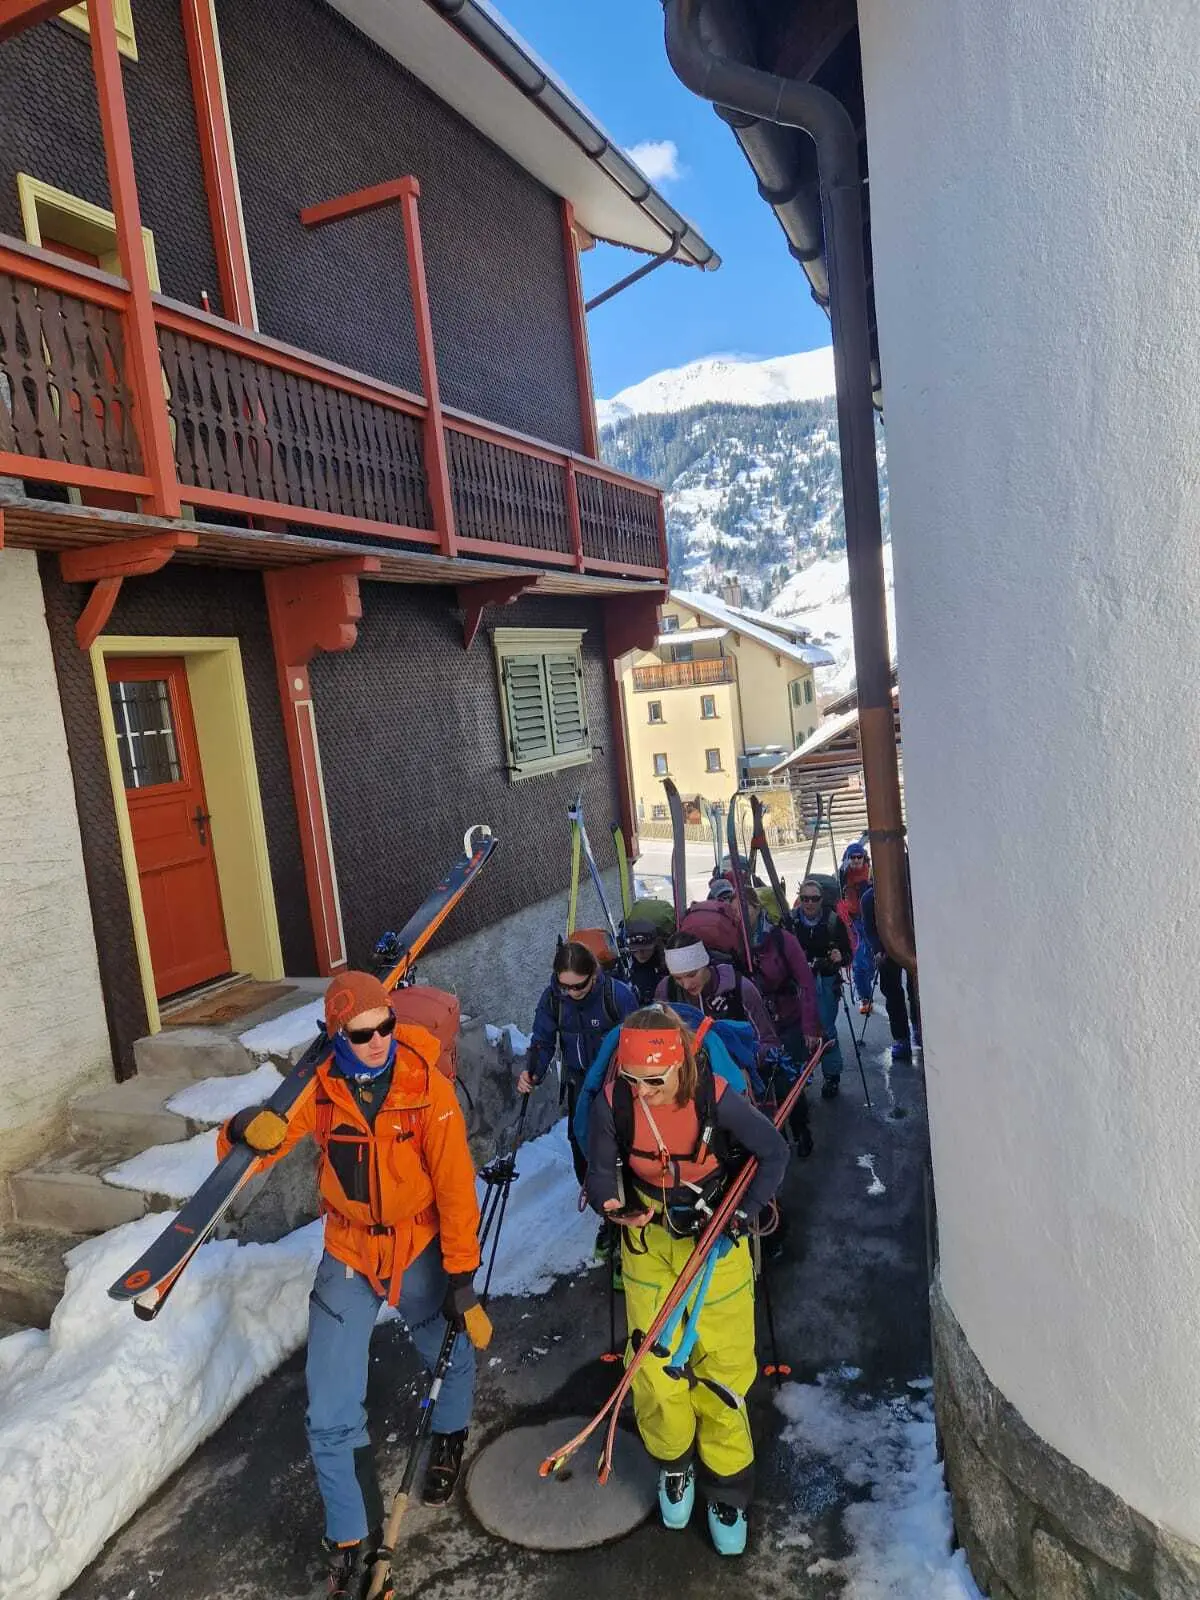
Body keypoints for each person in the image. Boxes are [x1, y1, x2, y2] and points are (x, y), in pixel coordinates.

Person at [217, 971, 486, 1599]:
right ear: (337, 1037)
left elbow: (454, 1184)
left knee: (443, 1339)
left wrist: (462, 1275)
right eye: (361, 1034)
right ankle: (350, 1540)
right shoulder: (323, 1086)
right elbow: (269, 1139)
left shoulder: (427, 1085)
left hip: (418, 1239)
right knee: (331, 1405)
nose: (377, 1042)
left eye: (385, 1026)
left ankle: (449, 1433)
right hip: (350, 1249)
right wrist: (240, 1129)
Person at [586, 1006, 790, 1556]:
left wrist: (743, 1215)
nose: (644, 1091)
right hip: (649, 1241)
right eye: (633, 1080)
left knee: (723, 1373)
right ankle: (675, 1466)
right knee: (653, 1369)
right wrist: (611, 1201)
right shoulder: (615, 1104)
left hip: (717, 1239)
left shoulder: (715, 1097)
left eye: (654, 1080)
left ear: (680, 1066)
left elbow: (773, 1152)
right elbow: (600, 1166)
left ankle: (728, 1489)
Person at [517, 941, 637, 1184]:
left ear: (593, 974)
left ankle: (629, 1191)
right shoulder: (554, 999)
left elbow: (638, 1038)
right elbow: (543, 1039)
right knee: (579, 1136)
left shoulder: (616, 995)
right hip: (579, 1079)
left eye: (578, 985)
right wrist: (533, 1072)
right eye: (565, 986)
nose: (572, 992)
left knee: (621, 1137)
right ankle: (594, 1193)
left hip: (616, 1078)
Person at [745, 888, 822, 1154]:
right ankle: (777, 1140)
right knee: (764, 1088)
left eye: (746, 908)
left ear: (758, 908)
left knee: (789, 1082)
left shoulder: (782, 940)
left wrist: (810, 1027)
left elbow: (806, 983)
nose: (741, 915)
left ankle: (801, 1130)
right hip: (755, 1025)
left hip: (787, 1021)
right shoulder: (735, 943)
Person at [655, 932, 778, 1047]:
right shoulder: (666, 989)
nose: (686, 985)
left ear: (705, 964)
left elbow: (767, 1040)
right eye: (678, 978)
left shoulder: (739, 987)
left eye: (692, 975)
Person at [791, 878, 854, 1099]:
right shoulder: (791, 921)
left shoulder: (833, 921)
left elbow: (848, 954)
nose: (809, 903)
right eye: (805, 898)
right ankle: (802, 1074)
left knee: (826, 1029)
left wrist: (840, 957)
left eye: (814, 898)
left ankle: (831, 1076)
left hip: (825, 981)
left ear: (821, 899)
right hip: (798, 983)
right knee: (800, 1029)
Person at [861, 882, 923, 1061]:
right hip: (886, 949)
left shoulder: (912, 890)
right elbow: (869, 929)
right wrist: (878, 949)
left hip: (913, 944)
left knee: (917, 990)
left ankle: (919, 1028)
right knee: (893, 994)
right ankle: (901, 1039)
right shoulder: (868, 899)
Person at [839, 840, 875, 1011]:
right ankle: (865, 997)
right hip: (853, 922)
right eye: (852, 857)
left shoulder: (871, 873)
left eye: (859, 856)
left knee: (871, 961)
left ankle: (866, 988)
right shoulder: (843, 874)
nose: (855, 860)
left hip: (870, 919)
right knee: (859, 961)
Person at [626, 917, 669, 1005]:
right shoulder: (626, 965)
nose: (641, 953)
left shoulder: (668, 963)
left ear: (656, 943)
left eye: (646, 949)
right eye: (635, 950)